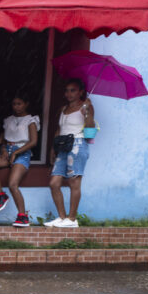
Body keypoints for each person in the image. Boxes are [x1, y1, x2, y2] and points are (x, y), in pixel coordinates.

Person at [0, 94, 39, 228]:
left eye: (19, 103)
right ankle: (1, 195)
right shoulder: (8, 120)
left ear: (26, 104)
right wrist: (3, 148)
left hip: (22, 152)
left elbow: (33, 142)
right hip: (8, 151)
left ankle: (22, 216)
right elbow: (3, 139)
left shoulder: (31, 120)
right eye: (14, 104)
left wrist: (16, 152)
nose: (16, 106)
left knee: (13, 184)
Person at [47, 78, 95, 228]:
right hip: (62, 146)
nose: (69, 93)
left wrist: (88, 111)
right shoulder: (63, 109)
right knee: (54, 183)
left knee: (74, 181)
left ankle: (72, 219)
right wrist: (52, 149)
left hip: (78, 144)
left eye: (73, 90)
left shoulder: (86, 107)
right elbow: (58, 130)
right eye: (67, 90)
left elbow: (90, 129)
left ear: (81, 92)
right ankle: (62, 217)